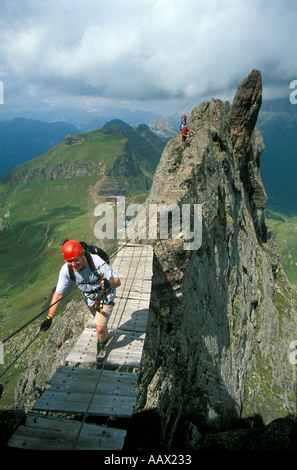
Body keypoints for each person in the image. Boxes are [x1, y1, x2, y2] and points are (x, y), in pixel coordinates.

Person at [40, 239, 121, 362]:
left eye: (75, 260)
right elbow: (58, 295)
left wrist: (108, 283)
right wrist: (49, 318)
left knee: (99, 327)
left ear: (83, 254)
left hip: (105, 296)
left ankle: (102, 344)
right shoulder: (66, 270)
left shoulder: (96, 261)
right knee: (101, 324)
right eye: (69, 261)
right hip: (90, 300)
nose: (73, 264)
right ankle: (104, 333)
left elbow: (117, 282)